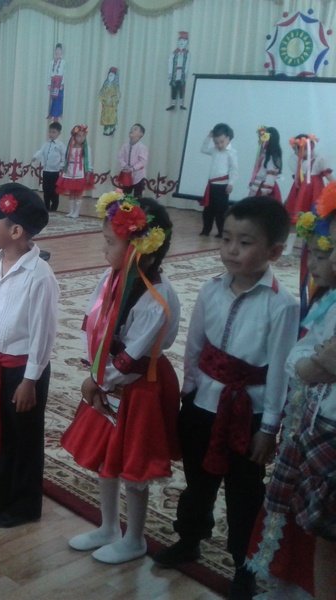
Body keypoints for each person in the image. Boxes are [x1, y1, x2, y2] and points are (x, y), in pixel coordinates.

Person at [153, 197, 299, 600]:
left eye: (245, 242)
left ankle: (243, 564)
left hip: (247, 414)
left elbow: (281, 371)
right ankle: (190, 538)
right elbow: (195, 346)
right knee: (198, 481)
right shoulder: (210, 290)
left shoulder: (282, 305)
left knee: (243, 492)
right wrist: (189, 392)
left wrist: (269, 428)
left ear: (274, 252)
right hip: (203, 404)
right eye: (227, 238)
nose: (232, 250)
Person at [61, 192, 180, 565]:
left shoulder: (156, 298)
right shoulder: (111, 278)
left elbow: (132, 359)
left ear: (143, 250)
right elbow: (95, 326)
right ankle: (109, 526)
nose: (104, 250)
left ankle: (135, 538)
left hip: (139, 388)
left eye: (110, 243)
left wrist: (100, 381)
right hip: (108, 381)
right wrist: (95, 376)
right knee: (107, 457)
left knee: (133, 465)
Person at [245, 204, 335, 599]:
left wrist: (315, 364)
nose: (312, 264)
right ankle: (290, 584)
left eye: (322, 254)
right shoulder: (327, 303)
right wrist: (312, 364)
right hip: (310, 424)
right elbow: (301, 357)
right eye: (311, 253)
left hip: (326, 428)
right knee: (301, 512)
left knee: (323, 527)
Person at [0, 183, 58, 528]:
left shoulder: (39, 276)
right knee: (0, 431)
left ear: (16, 231)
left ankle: (24, 505)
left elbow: (43, 333)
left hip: (24, 372)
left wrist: (30, 380)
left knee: (25, 439)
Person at [200, 123, 238, 238]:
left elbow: (234, 169)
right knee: (208, 210)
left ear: (228, 138)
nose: (219, 145)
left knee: (221, 211)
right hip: (212, 185)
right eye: (216, 142)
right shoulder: (214, 150)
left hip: (223, 186)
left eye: (222, 142)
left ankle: (222, 232)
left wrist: (231, 183)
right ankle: (206, 230)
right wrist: (208, 137)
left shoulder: (232, 153)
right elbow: (203, 149)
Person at [285, 133, 333, 224]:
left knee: (314, 209)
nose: (296, 153)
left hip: (314, 189)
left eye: (297, 149)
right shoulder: (299, 162)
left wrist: (333, 186)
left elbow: (328, 176)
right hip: (301, 189)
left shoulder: (318, 160)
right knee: (300, 207)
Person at [57, 124, 94, 219]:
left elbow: (88, 161)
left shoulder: (86, 148)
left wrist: (89, 171)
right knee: (71, 192)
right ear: (74, 136)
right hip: (70, 172)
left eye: (83, 136)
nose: (81, 138)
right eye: (79, 136)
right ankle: (71, 211)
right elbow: (66, 159)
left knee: (78, 193)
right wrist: (63, 168)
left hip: (80, 173)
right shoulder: (70, 147)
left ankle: (76, 212)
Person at [31, 122, 66, 212]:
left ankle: (54, 207)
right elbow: (41, 151)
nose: (51, 134)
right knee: (46, 189)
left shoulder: (60, 145)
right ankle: (46, 206)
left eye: (53, 132)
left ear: (59, 133)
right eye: (50, 132)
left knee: (54, 190)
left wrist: (62, 166)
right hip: (46, 170)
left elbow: (64, 156)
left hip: (55, 172)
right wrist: (35, 157)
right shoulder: (46, 144)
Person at [248, 126, 282, 202]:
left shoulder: (273, 156)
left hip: (265, 188)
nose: (262, 140)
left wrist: (265, 190)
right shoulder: (264, 154)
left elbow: (271, 175)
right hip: (258, 186)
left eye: (264, 137)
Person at [116, 124, 149, 198]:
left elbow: (143, 161)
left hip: (138, 176)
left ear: (141, 134)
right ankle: (125, 205)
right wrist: (125, 165)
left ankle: (137, 205)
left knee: (138, 196)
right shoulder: (125, 146)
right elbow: (120, 157)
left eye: (135, 129)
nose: (132, 130)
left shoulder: (142, 147)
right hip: (127, 174)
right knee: (125, 194)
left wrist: (133, 168)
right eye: (131, 129)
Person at [167, 32, 190, 111]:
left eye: (184, 41)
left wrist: (185, 72)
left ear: (186, 42)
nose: (182, 42)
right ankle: (173, 104)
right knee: (174, 88)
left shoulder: (187, 53)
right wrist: (170, 73)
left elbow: (187, 63)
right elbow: (170, 62)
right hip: (175, 74)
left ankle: (181, 104)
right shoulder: (174, 53)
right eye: (180, 40)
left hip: (182, 74)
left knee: (181, 89)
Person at [98, 67, 120, 136]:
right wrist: (104, 99)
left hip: (112, 106)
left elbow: (118, 95)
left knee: (111, 120)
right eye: (109, 75)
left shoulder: (116, 86)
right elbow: (100, 93)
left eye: (112, 76)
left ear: (115, 77)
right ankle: (105, 130)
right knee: (105, 120)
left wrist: (112, 100)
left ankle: (111, 129)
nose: (110, 77)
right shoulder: (105, 85)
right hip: (105, 106)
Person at [47, 43, 65, 122]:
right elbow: (49, 73)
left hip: (59, 83)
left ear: (61, 52)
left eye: (59, 50)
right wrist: (49, 84)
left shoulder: (63, 62)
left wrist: (62, 83)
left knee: (58, 100)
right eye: (57, 50)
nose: (58, 52)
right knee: (53, 99)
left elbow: (64, 73)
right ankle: (52, 115)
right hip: (53, 83)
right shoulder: (52, 62)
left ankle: (57, 116)